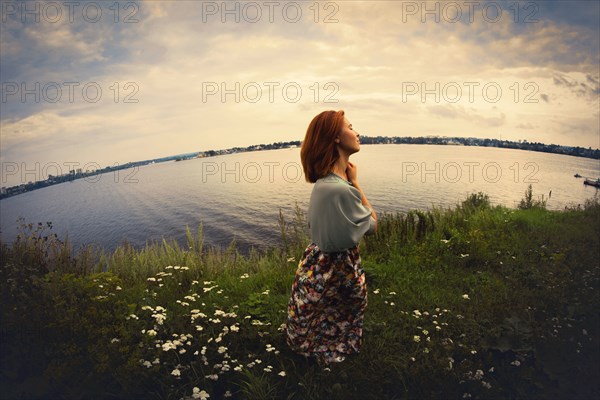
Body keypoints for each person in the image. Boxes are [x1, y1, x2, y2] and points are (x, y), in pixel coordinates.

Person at [285, 110, 378, 366]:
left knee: (325, 310)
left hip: (317, 261)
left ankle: (317, 341)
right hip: (337, 264)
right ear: (335, 137)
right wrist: (356, 182)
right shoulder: (341, 189)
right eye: (350, 127)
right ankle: (332, 347)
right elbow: (373, 225)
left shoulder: (325, 184)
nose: (357, 132)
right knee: (349, 305)